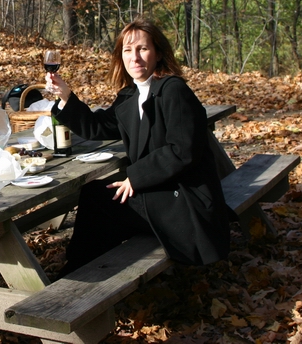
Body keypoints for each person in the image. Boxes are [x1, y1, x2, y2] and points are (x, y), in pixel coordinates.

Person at [46, 18, 230, 275]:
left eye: (143, 49)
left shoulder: (173, 90)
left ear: (158, 53)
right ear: (121, 57)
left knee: (98, 199)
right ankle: (85, 268)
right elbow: (97, 127)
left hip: (186, 203)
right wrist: (66, 96)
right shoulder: (130, 96)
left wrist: (135, 177)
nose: (135, 58)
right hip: (162, 191)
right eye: (128, 51)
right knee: (98, 197)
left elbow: (183, 151)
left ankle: (77, 273)